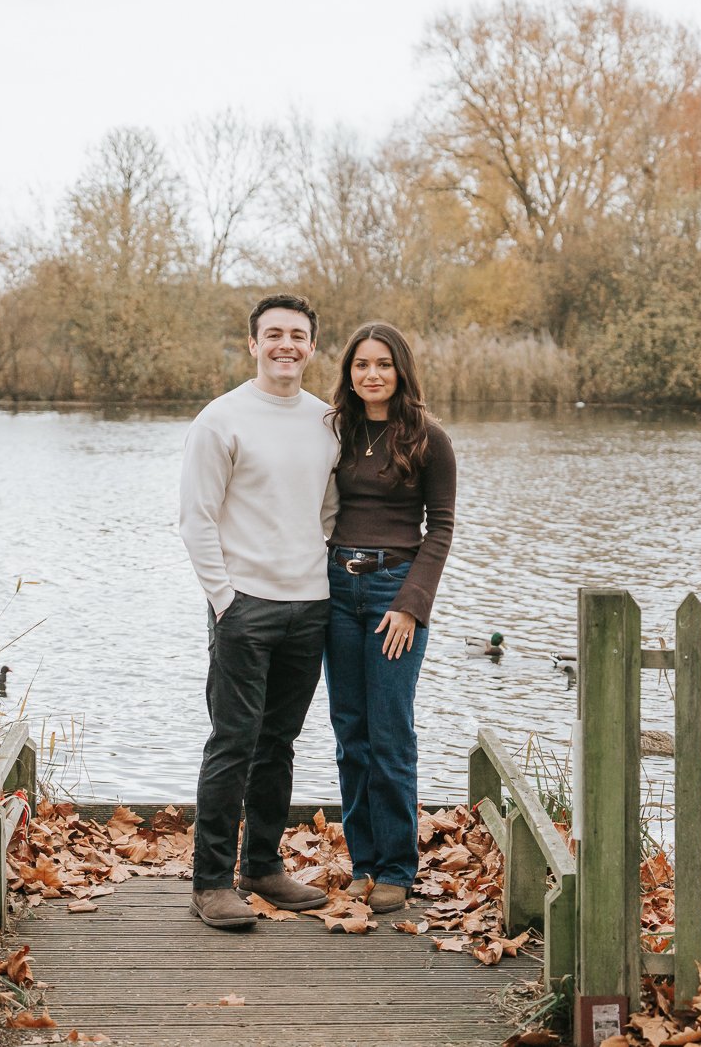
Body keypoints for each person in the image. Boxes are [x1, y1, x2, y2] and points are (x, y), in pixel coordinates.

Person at [178, 293, 339, 929]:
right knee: (234, 741)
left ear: (312, 347)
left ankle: (264, 866)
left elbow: (328, 509)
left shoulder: (328, 422)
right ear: (253, 344)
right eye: (273, 334)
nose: (286, 346)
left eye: (297, 336)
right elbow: (196, 519)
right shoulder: (221, 420)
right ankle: (212, 880)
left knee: (280, 743)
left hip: (311, 605)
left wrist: (316, 571)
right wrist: (225, 600)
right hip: (244, 607)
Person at [323, 321, 456, 914]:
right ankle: (364, 862)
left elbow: (442, 528)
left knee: (391, 732)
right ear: (348, 374)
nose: (371, 374)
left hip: (392, 595)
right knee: (351, 733)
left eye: (382, 364)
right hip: (334, 591)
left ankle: (398, 867)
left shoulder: (428, 438)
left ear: (400, 370)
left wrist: (409, 604)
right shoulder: (335, 434)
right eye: (360, 365)